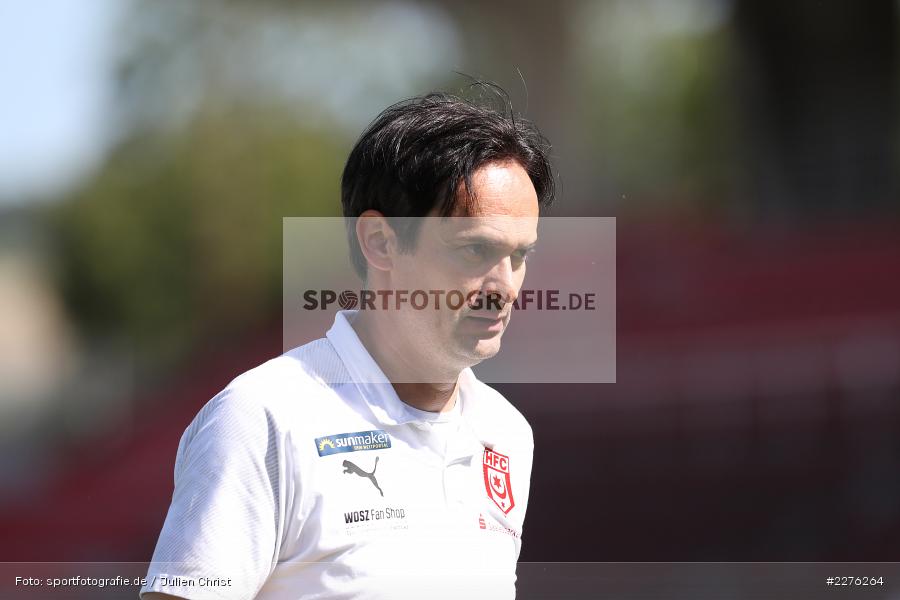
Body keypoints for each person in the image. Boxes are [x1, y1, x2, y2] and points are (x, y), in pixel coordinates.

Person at [141, 88, 555, 600]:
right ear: (380, 242)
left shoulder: (506, 433)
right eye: (476, 250)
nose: (506, 287)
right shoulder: (263, 419)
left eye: (520, 256)